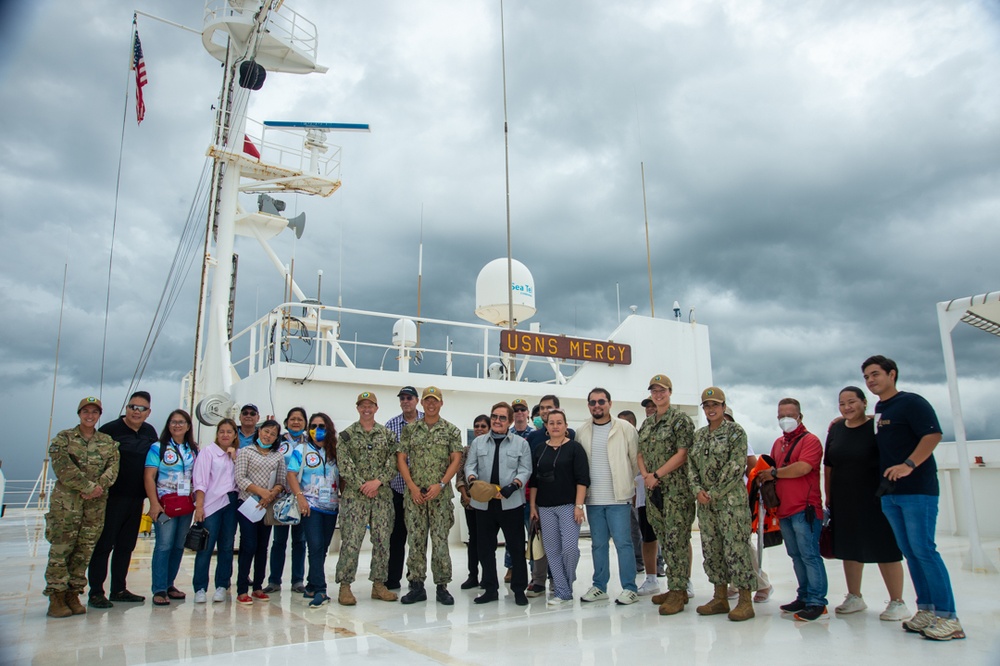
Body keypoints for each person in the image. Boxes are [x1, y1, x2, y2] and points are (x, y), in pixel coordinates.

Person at [862, 355, 964, 640]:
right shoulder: (882, 408)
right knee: (910, 551)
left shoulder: (912, 402)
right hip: (891, 493)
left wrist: (909, 465)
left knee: (924, 550)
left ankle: (949, 617)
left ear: (891, 374)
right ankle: (927, 609)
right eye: (866, 377)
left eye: (875, 374)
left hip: (918, 490)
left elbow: (932, 436)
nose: (870, 380)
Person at [824, 386, 908, 620]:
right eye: (842, 403)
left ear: (864, 402)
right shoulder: (837, 428)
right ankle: (854, 596)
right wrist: (828, 495)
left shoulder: (876, 427)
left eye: (852, 402)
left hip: (875, 497)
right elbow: (828, 464)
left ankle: (897, 601)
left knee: (885, 548)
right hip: (843, 497)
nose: (847, 407)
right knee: (849, 548)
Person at [44, 397, 119, 618]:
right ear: (79, 413)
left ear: (99, 415)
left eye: (94, 412)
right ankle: (56, 597)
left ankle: (73, 594)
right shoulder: (64, 438)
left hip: (94, 507)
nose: (90, 415)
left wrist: (97, 488)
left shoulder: (107, 442)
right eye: (86, 411)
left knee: (83, 552)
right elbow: (62, 466)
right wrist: (86, 486)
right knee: (61, 550)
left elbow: (113, 468)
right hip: (66, 506)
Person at [688, 388, 756, 621]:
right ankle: (720, 597)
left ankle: (745, 601)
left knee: (736, 548)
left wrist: (713, 492)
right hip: (706, 505)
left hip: (731, 503)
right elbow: (691, 467)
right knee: (712, 549)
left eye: (715, 404)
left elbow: (736, 466)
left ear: (724, 406)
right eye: (707, 405)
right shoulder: (698, 436)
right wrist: (698, 490)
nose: (711, 409)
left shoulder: (735, 432)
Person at [758, 398, 827, 621]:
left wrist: (776, 473)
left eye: (789, 415)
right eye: (780, 416)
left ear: (800, 416)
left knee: (810, 555)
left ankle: (817, 601)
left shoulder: (811, 441)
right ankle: (804, 595)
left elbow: (803, 467)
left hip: (804, 509)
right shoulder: (778, 444)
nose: (784, 419)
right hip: (785, 511)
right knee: (796, 555)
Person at [87, 391, 156, 608]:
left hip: (136, 499)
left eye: (141, 408)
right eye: (132, 407)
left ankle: (118, 589)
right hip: (111, 498)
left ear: (148, 412)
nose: (136, 411)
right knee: (104, 545)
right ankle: (96, 592)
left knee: (126, 546)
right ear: (126, 408)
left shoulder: (149, 432)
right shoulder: (110, 430)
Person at [395, 386, 463, 605]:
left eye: (435, 401)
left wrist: (441, 484)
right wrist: (412, 487)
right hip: (415, 495)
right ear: (422, 403)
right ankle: (416, 585)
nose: (431, 404)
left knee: (440, 540)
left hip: (440, 496)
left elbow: (456, 460)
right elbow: (401, 459)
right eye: (427, 401)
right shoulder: (410, 430)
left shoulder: (451, 430)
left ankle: (442, 586)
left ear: (441, 403)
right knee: (415, 540)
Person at [638, 374, 696, 615]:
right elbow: (640, 452)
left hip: (676, 492)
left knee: (677, 540)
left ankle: (678, 589)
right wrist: (646, 476)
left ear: (670, 392)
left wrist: (657, 475)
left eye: (662, 390)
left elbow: (683, 454)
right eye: (654, 391)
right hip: (654, 491)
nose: (658, 394)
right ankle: (676, 589)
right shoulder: (648, 423)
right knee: (663, 537)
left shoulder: (681, 420)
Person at [577, 388, 640, 605]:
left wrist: (628, 485)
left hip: (618, 499)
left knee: (624, 543)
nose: (597, 405)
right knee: (598, 545)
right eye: (592, 402)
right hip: (594, 499)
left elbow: (634, 460)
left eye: (601, 401)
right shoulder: (582, 431)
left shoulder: (625, 428)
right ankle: (599, 586)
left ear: (610, 404)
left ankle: (630, 588)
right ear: (588, 406)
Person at [465, 402, 533, 605]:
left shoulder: (521, 444)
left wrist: (515, 485)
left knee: (516, 547)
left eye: (502, 417)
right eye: (494, 416)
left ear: (510, 421)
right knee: (485, 548)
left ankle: (519, 589)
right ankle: (490, 589)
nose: (497, 420)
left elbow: (525, 469)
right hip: (484, 504)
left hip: (510, 503)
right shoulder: (478, 443)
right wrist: (472, 480)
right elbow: (470, 465)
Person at [335, 392, 399, 605]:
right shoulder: (346, 436)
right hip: (355, 498)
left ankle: (379, 585)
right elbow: (344, 465)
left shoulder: (388, 435)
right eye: (362, 405)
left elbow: (393, 462)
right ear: (357, 408)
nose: (366, 409)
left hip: (381, 497)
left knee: (382, 541)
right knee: (351, 542)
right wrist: (363, 485)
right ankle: (345, 586)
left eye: (370, 405)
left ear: (376, 408)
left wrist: (378, 482)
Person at [528, 408, 589, 606]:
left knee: (570, 549)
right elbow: (535, 482)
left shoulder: (575, 448)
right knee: (552, 550)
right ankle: (563, 592)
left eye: (559, 422)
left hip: (568, 506)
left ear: (565, 426)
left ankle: (567, 583)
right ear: (546, 426)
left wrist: (579, 506)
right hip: (545, 507)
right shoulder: (540, 450)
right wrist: (532, 507)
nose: (555, 426)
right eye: (551, 423)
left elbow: (582, 479)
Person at [145, 409, 198, 606]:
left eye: (181, 422)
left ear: (188, 426)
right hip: (165, 504)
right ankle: (158, 588)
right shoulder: (158, 448)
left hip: (185, 504)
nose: (177, 425)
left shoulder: (193, 449)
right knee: (164, 545)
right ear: (168, 425)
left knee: (177, 546)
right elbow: (149, 476)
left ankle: (169, 584)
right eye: (174, 422)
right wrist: (154, 503)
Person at [287, 412, 340, 608]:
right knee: (315, 546)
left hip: (331, 507)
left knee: (322, 548)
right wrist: (300, 498)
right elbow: (291, 474)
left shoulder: (335, 451)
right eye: (314, 426)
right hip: (311, 506)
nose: (318, 430)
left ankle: (310, 585)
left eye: (322, 426)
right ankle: (320, 590)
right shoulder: (302, 450)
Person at [524, 395, 574, 595]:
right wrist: (532, 503)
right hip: (539, 501)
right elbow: (531, 472)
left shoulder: (571, 436)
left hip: (565, 501)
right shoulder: (534, 438)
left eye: (549, 408)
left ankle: (558, 581)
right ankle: (538, 580)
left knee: (564, 544)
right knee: (539, 541)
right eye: (542, 408)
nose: (544, 411)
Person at [234, 418, 287, 606]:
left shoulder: (278, 456)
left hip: (267, 506)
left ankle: (257, 586)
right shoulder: (245, 452)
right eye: (266, 432)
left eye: (273, 434)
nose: (268, 436)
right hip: (248, 504)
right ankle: (242, 589)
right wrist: (261, 492)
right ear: (259, 431)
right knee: (248, 545)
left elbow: (281, 481)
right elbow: (240, 478)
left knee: (262, 547)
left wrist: (271, 494)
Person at [191, 418, 240, 604]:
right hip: (212, 504)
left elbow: (241, 478)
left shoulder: (236, 454)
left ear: (235, 434)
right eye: (222, 431)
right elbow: (200, 481)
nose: (225, 435)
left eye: (229, 432)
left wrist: (235, 458)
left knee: (226, 547)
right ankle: (200, 588)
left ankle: (222, 585)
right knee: (206, 547)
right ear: (217, 434)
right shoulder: (207, 452)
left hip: (231, 502)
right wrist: (199, 506)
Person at [264, 407, 309, 593]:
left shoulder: (310, 442)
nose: (296, 422)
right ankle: (274, 581)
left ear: (305, 423)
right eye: (292, 419)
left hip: (302, 498)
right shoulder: (278, 441)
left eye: (299, 419)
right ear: (286, 422)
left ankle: (298, 581)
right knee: (279, 541)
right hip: (280, 497)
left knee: (300, 541)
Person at [384, 386, 423, 590]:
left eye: (409, 398)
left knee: (418, 537)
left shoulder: (428, 422)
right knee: (397, 537)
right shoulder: (391, 425)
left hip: (421, 492)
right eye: (402, 398)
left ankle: (415, 577)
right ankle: (393, 579)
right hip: (398, 490)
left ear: (417, 400)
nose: (406, 401)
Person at [455, 415, 490, 590]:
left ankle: (487, 576)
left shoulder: (493, 449)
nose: (479, 428)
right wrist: (465, 495)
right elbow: (460, 475)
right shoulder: (466, 450)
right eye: (476, 425)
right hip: (470, 503)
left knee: (486, 540)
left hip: (489, 504)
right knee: (474, 539)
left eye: (483, 426)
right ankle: (473, 575)